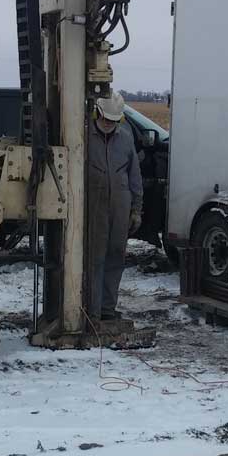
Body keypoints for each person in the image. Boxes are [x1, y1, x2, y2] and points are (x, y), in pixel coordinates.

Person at [88, 92, 143, 322]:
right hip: (93, 205)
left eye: (114, 120)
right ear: (97, 113)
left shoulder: (126, 138)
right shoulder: (83, 135)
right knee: (94, 258)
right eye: (106, 119)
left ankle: (107, 310)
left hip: (121, 205)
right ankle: (90, 310)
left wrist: (136, 210)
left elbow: (134, 176)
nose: (109, 124)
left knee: (115, 257)